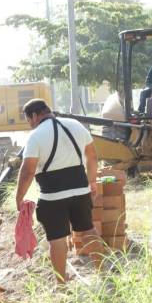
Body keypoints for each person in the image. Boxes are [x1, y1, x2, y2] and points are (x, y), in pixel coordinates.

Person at [15, 99, 102, 283]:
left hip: (52, 196)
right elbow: (92, 156)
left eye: (29, 120)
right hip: (80, 191)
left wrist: (19, 198)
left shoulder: (35, 136)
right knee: (88, 230)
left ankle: (61, 285)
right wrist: (92, 181)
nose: (30, 124)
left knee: (57, 239)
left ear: (34, 116)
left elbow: (28, 171)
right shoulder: (76, 125)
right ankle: (103, 273)